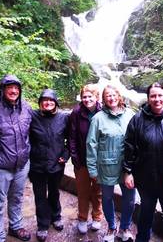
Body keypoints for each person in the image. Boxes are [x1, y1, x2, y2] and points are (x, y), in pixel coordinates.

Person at [123, 82, 163, 242]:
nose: (157, 99)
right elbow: (129, 147)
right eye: (153, 96)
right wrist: (128, 172)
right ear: (148, 98)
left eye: (160, 95)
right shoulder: (137, 119)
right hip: (145, 178)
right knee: (145, 214)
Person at [87, 85, 136, 242]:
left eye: (114, 94)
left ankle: (125, 228)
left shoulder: (131, 115)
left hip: (127, 166)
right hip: (106, 166)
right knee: (107, 198)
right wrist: (92, 170)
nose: (111, 98)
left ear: (119, 96)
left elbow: (138, 140)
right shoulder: (97, 119)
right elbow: (91, 144)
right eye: (108, 95)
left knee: (129, 199)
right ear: (104, 99)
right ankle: (111, 227)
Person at [0, 75, 33, 242]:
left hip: (21, 166)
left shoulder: (26, 108)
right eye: (9, 87)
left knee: (17, 198)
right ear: (2, 89)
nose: (13, 91)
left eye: (16, 88)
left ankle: (15, 226)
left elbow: (34, 133)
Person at [28, 89, 69, 242]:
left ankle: (56, 216)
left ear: (56, 103)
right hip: (37, 164)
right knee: (39, 195)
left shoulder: (63, 118)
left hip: (56, 164)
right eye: (44, 100)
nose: (48, 102)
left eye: (51, 100)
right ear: (40, 103)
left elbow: (70, 140)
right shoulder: (32, 116)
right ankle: (42, 225)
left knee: (54, 192)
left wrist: (65, 155)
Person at [67, 84, 104, 234]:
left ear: (97, 97)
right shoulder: (76, 113)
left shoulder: (103, 111)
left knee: (97, 191)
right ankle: (82, 218)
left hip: (99, 160)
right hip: (82, 160)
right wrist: (75, 157)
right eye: (84, 97)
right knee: (83, 191)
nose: (87, 99)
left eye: (90, 96)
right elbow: (72, 137)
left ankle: (97, 217)